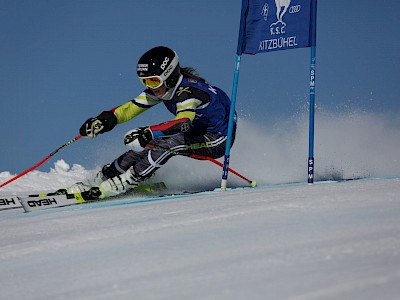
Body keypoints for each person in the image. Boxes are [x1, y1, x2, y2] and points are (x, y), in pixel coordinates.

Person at [70, 46, 236, 199]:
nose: (150, 87)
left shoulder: (188, 93)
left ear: (169, 76)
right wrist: (103, 121)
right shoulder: (161, 90)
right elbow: (129, 109)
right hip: (197, 130)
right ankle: (105, 177)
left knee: (169, 143)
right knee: (151, 141)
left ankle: (129, 180)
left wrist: (147, 131)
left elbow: (182, 122)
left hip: (218, 138)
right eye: (145, 81)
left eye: (153, 81)